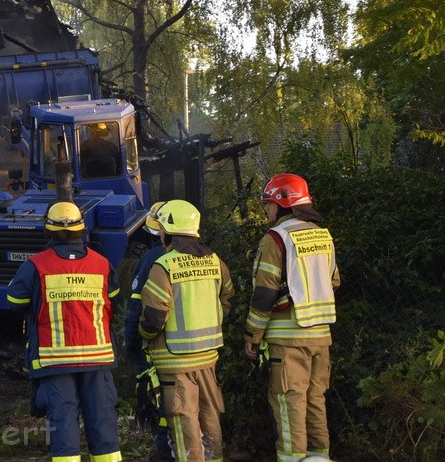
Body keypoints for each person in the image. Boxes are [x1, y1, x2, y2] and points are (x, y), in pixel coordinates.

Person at [6, 201, 123, 462]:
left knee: (63, 417)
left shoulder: (36, 265)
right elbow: (114, 296)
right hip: (97, 357)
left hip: (54, 358)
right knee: (102, 416)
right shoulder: (102, 264)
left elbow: (14, 302)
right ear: (82, 229)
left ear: (48, 230)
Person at [243, 174, 340, 462]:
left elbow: (264, 294)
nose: (267, 212)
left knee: (289, 402)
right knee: (315, 400)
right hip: (321, 335)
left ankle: (292, 459)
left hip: (289, 337)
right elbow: (334, 281)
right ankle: (319, 457)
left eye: (268, 205)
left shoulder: (276, 238)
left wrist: (252, 335)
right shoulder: (323, 235)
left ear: (282, 203)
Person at [139, 199, 234, 462]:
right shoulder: (215, 260)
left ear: (169, 230)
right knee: (209, 414)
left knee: (184, 422)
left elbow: (154, 318)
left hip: (174, 359)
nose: (159, 233)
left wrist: (146, 337)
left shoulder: (164, 265)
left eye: (160, 228)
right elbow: (228, 298)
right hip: (208, 356)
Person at [122, 202, 173, 462]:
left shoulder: (152, 259)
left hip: (157, 346)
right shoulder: (205, 256)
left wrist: (131, 342)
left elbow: (136, 306)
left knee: (159, 398)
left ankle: (164, 451)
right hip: (200, 350)